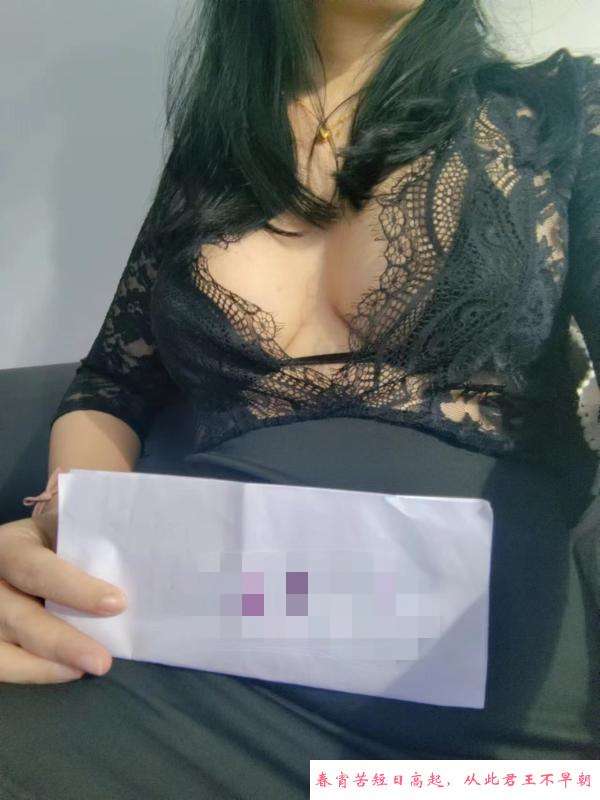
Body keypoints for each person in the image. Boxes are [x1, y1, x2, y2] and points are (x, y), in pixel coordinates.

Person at [1, 0, 599, 797]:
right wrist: (68, 528)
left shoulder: (556, 112)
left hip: (472, 703)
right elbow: (112, 381)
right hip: (183, 639)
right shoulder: (215, 156)